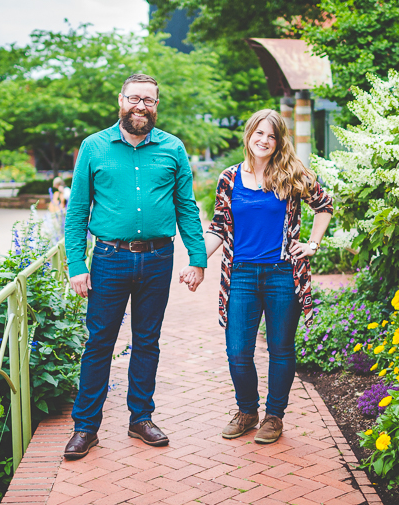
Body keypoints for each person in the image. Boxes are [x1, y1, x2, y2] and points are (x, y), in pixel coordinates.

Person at [63, 73, 207, 460]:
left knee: (147, 341)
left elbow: (186, 207)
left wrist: (197, 258)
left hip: (159, 259)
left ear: (157, 105)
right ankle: (85, 428)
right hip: (109, 259)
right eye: (134, 99)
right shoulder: (93, 147)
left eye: (149, 100)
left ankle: (140, 418)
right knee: (99, 343)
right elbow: (77, 211)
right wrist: (76, 264)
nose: (141, 106)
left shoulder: (173, 148)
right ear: (121, 101)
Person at [188, 108, 332, 444]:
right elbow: (219, 227)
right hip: (240, 274)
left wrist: (312, 244)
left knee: (281, 349)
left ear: (279, 141)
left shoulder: (292, 174)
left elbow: (324, 205)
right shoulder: (229, 178)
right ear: (249, 134)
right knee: (238, 351)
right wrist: (196, 262)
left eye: (272, 136)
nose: (264, 140)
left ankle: (274, 417)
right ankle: (247, 411)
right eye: (259, 133)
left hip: (282, 273)